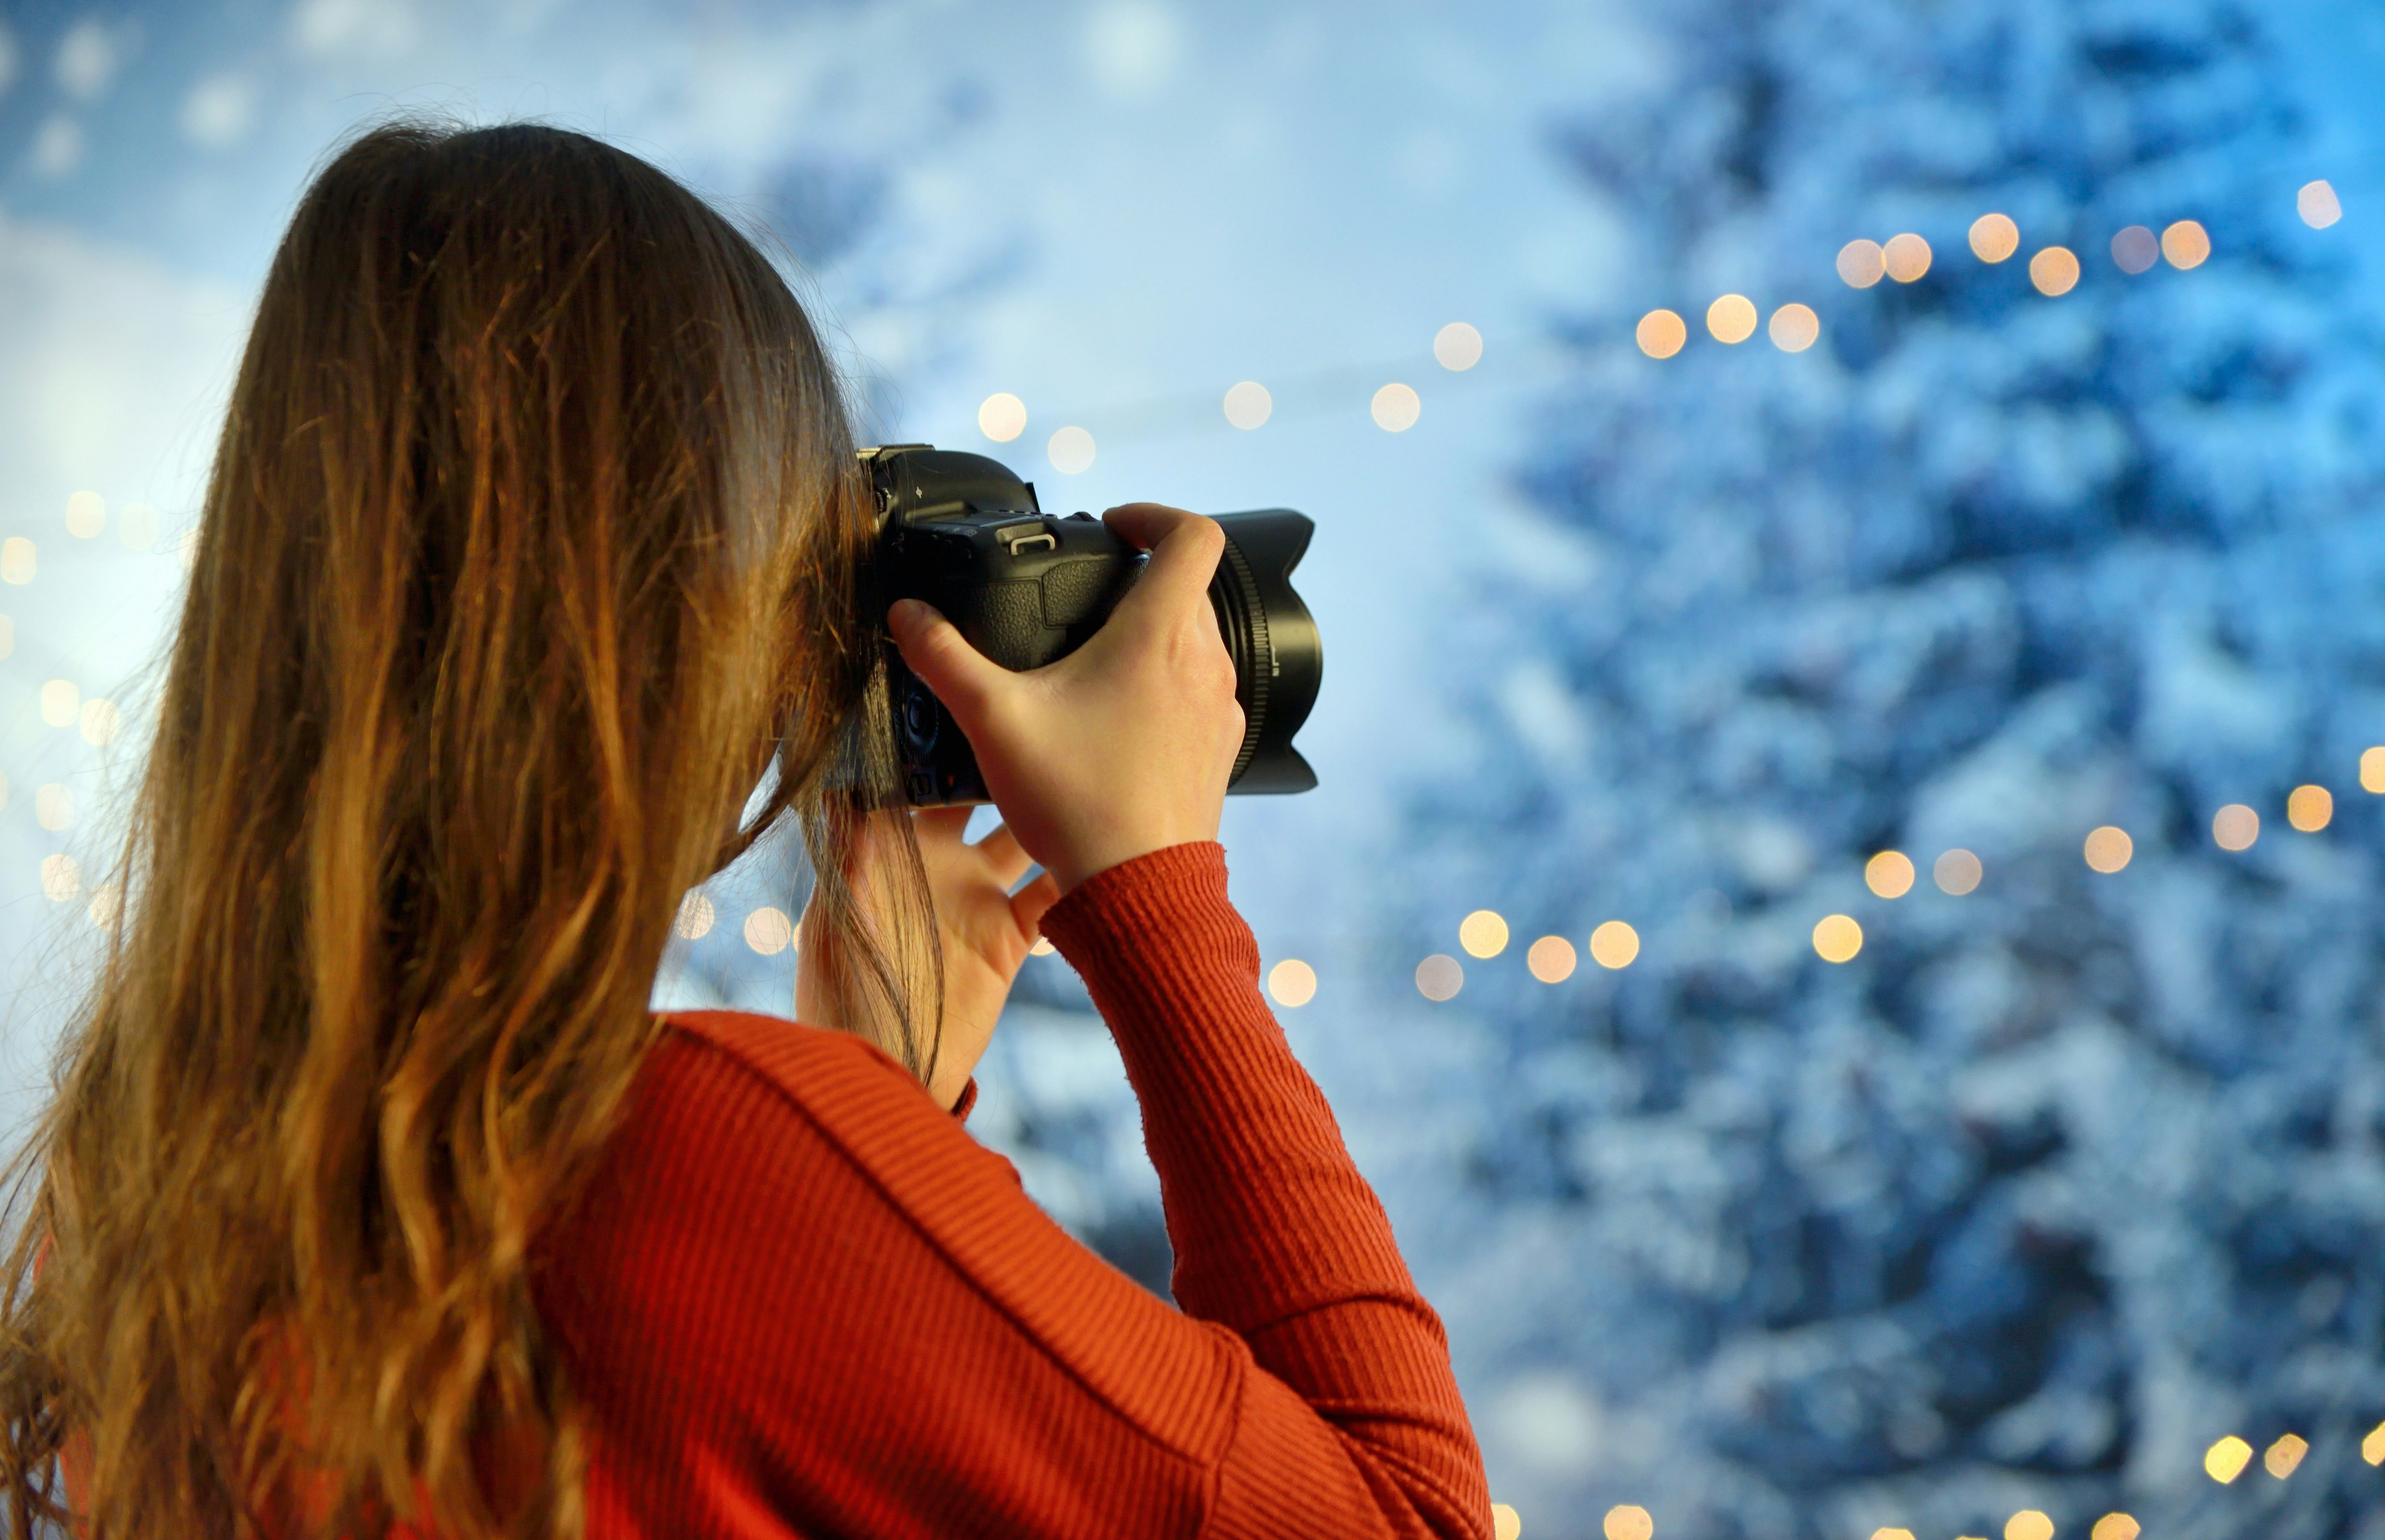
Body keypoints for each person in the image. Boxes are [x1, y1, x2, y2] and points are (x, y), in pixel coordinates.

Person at [0, 121, 1489, 1540]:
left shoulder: (136, 1223)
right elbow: (1404, 1517)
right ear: (679, 598)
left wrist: (882, 1106)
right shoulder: (693, 1162)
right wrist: (1153, 888)